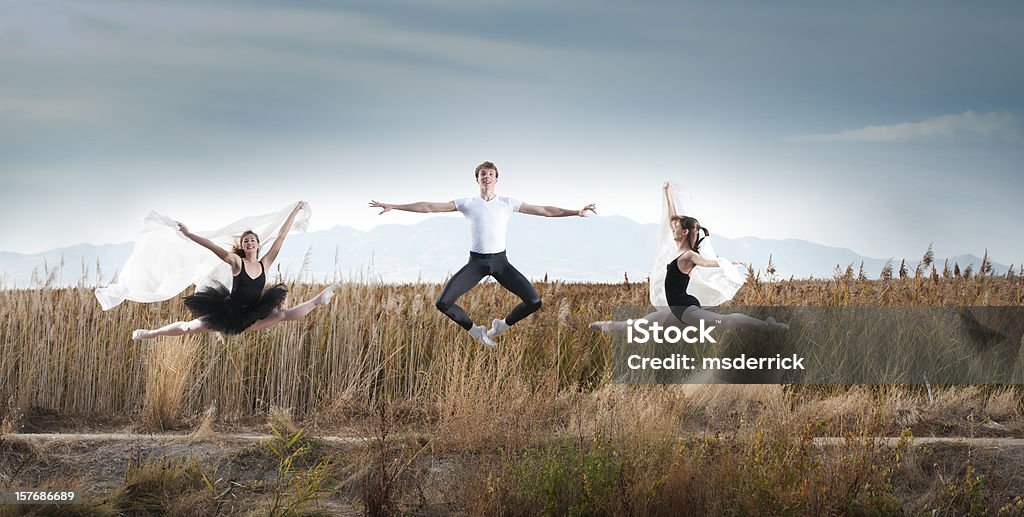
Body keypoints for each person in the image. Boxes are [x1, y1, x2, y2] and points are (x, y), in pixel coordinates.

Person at [370, 161, 596, 347]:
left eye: (490, 174)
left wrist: (576, 212)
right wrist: (395, 206)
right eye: (482, 174)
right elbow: (429, 206)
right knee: (443, 303)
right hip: (476, 263)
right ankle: (475, 331)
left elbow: (546, 211)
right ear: (477, 179)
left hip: (501, 263)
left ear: (497, 179)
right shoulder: (467, 203)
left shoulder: (508, 203)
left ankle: (501, 325)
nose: (486, 177)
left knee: (534, 301)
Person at [591, 183, 787, 334]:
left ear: (684, 232)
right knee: (645, 323)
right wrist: (668, 195)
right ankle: (608, 326)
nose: (672, 229)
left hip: (686, 309)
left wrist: (726, 263)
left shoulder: (690, 255)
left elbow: (707, 263)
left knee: (726, 322)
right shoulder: (678, 249)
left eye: (676, 229)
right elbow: (672, 219)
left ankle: (767, 326)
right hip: (676, 310)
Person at [132, 201, 339, 339]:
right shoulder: (236, 263)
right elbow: (211, 246)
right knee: (188, 328)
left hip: (251, 313)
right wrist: (188, 234)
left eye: (253, 240)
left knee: (280, 314)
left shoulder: (264, 263)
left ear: (258, 245)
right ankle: (151, 334)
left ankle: (318, 300)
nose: (249, 242)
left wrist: (294, 212)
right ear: (243, 246)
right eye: (246, 241)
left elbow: (281, 237)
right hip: (227, 313)